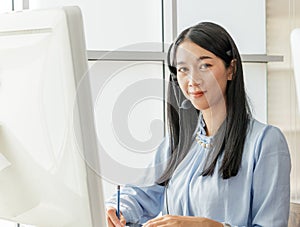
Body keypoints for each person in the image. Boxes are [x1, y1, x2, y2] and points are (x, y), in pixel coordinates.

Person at [105, 22, 291, 227]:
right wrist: (117, 208)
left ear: (231, 69)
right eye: (183, 69)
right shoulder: (177, 143)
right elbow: (142, 194)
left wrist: (210, 226)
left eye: (205, 66)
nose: (192, 80)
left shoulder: (265, 142)